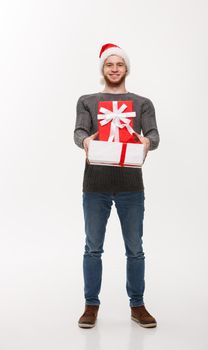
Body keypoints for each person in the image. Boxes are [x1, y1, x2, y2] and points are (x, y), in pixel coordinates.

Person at [74, 43, 160, 328]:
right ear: (103, 69)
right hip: (95, 183)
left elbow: (154, 136)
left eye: (119, 64)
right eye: (109, 65)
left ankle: (137, 305)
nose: (114, 69)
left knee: (135, 248)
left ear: (126, 69)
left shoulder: (142, 103)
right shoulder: (87, 100)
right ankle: (90, 305)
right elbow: (79, 132)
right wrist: (86, 140)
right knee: (92, 248)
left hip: (130, 185)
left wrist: (147, 141)